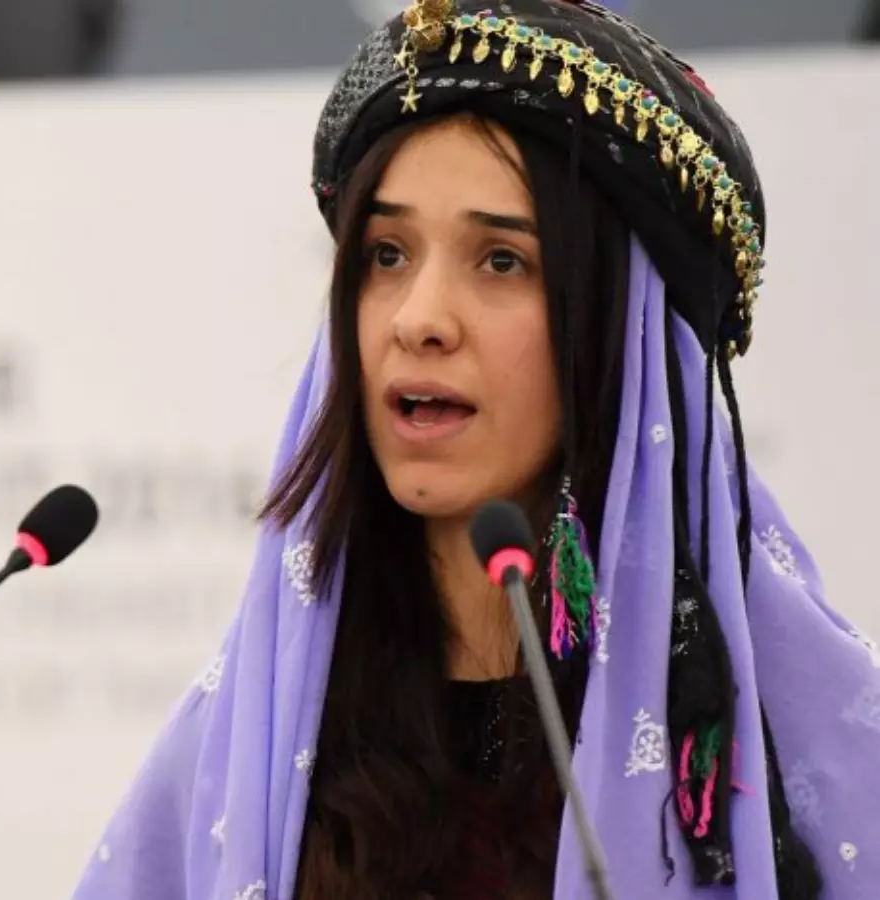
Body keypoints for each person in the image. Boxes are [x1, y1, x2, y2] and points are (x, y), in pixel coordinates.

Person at [70, 1, 880, 898]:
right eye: (386, 254)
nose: (419, 320)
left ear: (624, 331)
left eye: (501, 261)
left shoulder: (818, 747)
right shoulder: (246, 742)